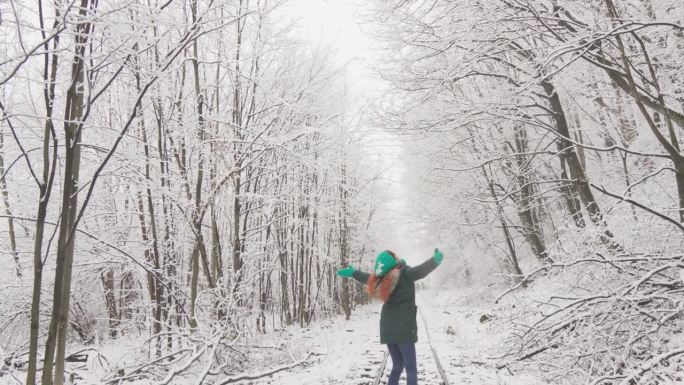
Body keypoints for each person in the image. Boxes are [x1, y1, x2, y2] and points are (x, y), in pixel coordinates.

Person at [336, 248, 444, 385]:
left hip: (387, 330)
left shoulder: (380, 279)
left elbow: (366, 278)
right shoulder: (405, 273)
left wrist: (353, 273)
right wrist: (435, 260)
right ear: (394, 260)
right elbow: (421, 271)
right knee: (411, 369)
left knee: (397, 366)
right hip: (403, 329)